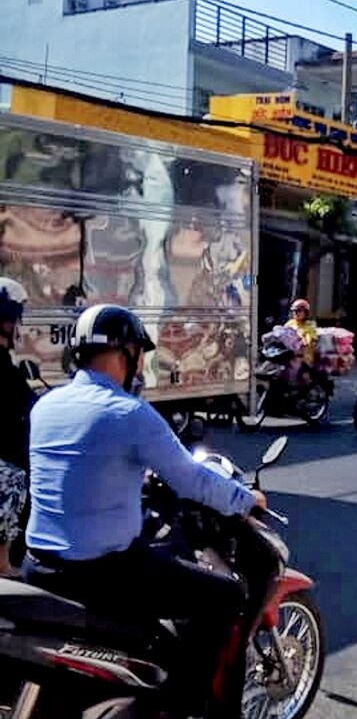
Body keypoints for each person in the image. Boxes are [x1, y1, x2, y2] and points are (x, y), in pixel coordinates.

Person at [23, 304, 267, 713]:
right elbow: (192, 479)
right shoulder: (130, 413)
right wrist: (246, 500)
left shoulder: (45, 406)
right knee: (226, 596)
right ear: (126, 353)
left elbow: (81, 471)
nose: (139, 367)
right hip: (100, 573)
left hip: (39, 564)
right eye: (138, 355)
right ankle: (185, 705)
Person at [0, 279, 31, 576]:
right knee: (16, 477)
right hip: (7, 459)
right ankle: (4, 565)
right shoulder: (4, 370)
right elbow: (32, 406)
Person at [285, 298, 319, 367]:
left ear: (306, 312)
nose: (296, 313)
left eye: (299, 311)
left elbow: (310, 341)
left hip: (304, 357)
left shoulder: (310, 325)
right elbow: (282, 334)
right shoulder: (290, 323)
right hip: (289, 353)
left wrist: (302, 338)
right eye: (294, 311)